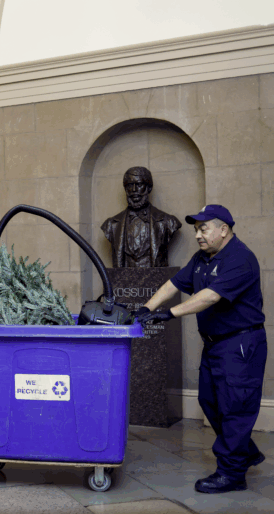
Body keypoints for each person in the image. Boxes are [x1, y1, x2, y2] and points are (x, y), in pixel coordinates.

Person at [133, 204, 267, 494]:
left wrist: (169, 314)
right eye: (196, 229)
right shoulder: (203, 258)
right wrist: (145, 308)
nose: (197, 235)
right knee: (210, 402)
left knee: (234, 409)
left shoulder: (240, 258)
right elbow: (174, 283)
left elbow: (210, 297)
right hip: (216, 345)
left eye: (203, 228)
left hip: (240, 345)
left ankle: (232, 474)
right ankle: (244, 452)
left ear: (223, 229)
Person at [101, 166, 182, 268]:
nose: (134, 190)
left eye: (139, 184)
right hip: (123, 281)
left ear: (149, 188)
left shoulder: (168, 222)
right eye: (130, 185)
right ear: (125, 189)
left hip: (157, 281)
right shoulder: (111, 225)